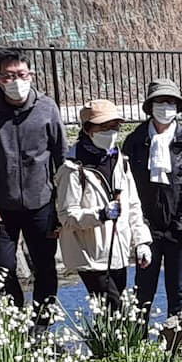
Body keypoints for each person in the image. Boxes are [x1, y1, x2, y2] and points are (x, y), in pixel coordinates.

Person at [0, 48, 66, 315]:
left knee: (45, 266)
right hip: (2, 206)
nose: (16, 81)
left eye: (22, 74)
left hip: (42, 203)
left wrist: (62, 202)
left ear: (31, 75)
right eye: (9, 76)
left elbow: (61, 157)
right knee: (1, 268)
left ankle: (41, 322)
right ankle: (15, 319)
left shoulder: (47, 107)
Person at [56, 99, 152, 310]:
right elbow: (67, 216)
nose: (111, 132)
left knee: (114, 314)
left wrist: (142, 242)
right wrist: (100, 214)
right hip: (90, 254)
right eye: (104, 127)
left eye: (114, 127)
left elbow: (133, 205)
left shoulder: (120, 161)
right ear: (88, 129)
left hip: (119, 250)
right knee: (113, 308)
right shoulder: (72, 169)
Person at [120, 78, 182, 317]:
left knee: (178, 292)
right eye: (160, 101)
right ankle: (139, 338)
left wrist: (180, 224)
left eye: (170, 102)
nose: (165, 107)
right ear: (150, 106)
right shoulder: (135, 141)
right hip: (146, 230)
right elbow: (126, 186)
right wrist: (142, 228)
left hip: (179, 230)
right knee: (143, 292)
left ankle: (177, 337)